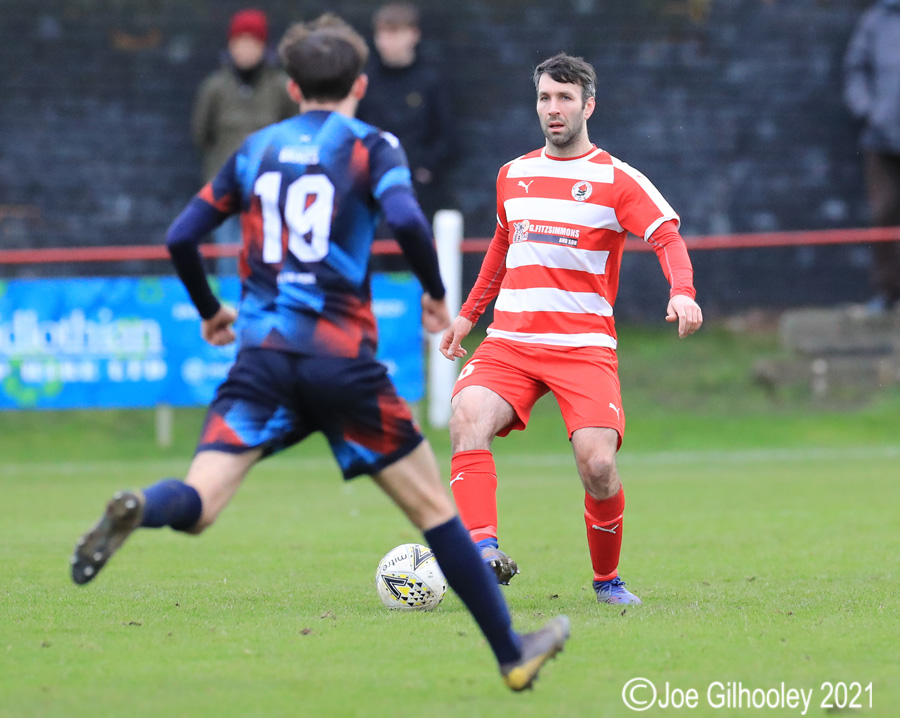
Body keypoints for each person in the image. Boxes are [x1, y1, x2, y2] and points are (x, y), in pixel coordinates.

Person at [69, 15, 569, 692]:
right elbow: (409, 220)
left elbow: (182, 236)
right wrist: (433, 293)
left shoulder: (256, 149)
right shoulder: (371, 145)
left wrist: (212, 311)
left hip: (263, 361)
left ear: (294, 85)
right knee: (434, 511)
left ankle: (140, 505)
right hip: (342, 364)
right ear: (360, 84)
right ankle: (511, 653)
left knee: (200, 499)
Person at [439, 53, 703, 605]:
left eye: (564, 98)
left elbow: (666, 236)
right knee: (466, 418)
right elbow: (500, 246)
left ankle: (607, 581)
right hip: (510, 342)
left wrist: (682, 291)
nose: (553, 109)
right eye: (544, 98)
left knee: (599, 466)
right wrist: (468, 315)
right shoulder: (513, 175)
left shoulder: (616, 178)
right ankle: (482, 550)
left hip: (583, 349)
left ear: (588, 105)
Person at [191, 8, 297, 272]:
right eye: (239, 42)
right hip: (226, 192)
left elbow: (295, 132)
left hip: (273, 190)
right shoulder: (214, 87)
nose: (245, 50)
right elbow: (201, 134)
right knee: (229, 260)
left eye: (252, 42)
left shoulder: (281, 87)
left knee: (271, 258)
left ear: (264, 46)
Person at [357, 2, 454, 221]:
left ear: (413, 35)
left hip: (417, 195)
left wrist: (425, 170)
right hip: (372, 189)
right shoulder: (367, 81)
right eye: (380, 34)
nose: (384, 42)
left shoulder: (430, 81)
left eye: (393, 33)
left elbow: (446, 136)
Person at [844, 0, 900, 313]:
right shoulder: (875, 20)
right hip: (881, 139)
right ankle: (887, 290)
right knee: (884, 214)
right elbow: (855, 69)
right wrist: (867, 110)